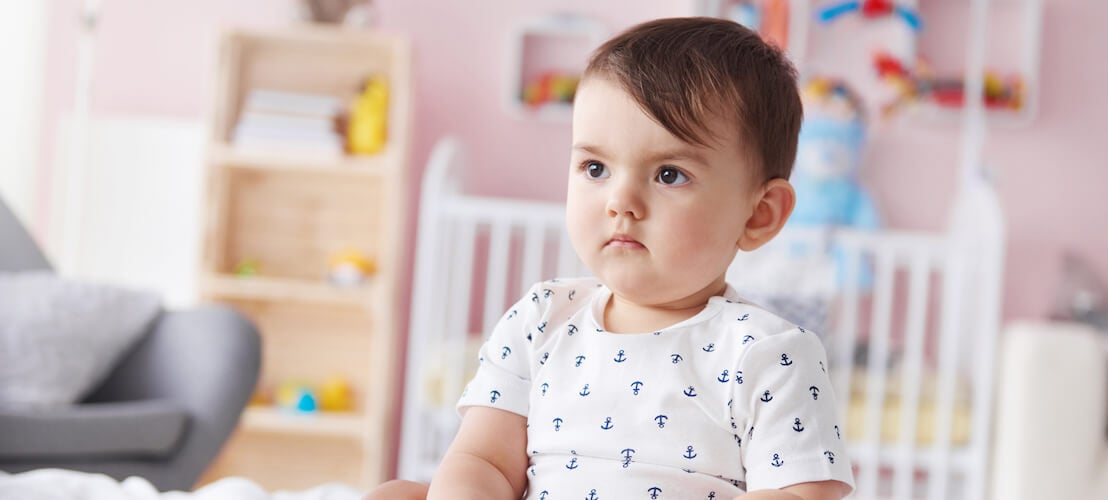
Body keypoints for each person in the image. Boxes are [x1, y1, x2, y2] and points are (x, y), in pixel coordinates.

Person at [368, 16, 855, 500]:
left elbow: (799, 494)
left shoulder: (767, 353)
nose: (620, 202)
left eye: (669, 175)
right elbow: (484, 459)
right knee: (396, 494)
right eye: (595, 167)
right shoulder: (541, 320)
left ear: (759, 215)